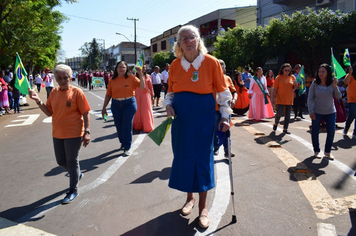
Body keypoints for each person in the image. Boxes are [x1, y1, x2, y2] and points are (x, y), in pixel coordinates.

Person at [163, 25, 231, 229]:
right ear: (179, 44)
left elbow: (223, 93)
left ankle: (203, 207)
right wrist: (167, 105)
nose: (188, 41)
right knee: (183, 158)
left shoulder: (211, 63)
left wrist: (226, 116)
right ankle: (189, 199)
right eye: (183, 38)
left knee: (202, 159)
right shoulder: (175, 65)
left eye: (191, 37)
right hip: (182, 119)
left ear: (198, 40)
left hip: (204, 117)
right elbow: (171, 92)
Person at [28, 64, 91, 204]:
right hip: (57, 133)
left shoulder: (77, 92)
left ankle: (73, 190)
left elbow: (85, 112)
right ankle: (77, 174)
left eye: (66, 77)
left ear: (70, 78)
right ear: (55, 78)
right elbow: (49, 112)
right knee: (60, 161)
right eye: (60, 78)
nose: (63, 80)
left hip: (73, 132)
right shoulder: (54, 92)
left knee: (72, 161)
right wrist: (37, 100)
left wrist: (87, 131)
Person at [101, 61, 145, 156]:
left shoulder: (132, 78)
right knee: (118, 125)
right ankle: (123, 142)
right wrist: (104, 107)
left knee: (127, 125)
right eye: (119, 67)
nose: (121, 69)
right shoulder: (112, 80)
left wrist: (140, 74)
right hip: (116, 104)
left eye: (123, 67)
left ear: (126, 69)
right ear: (116, 69)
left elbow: (142, 87)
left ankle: (127, 146)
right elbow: (108, 94)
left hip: (129, 104)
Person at [308, 63, 341, 160]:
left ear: (328, 73)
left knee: (331, 131)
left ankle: (327, 152)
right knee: (315, 131)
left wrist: (335, 86)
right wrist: (311, 111)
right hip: (317, 111)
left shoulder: (332, 83)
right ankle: (317, 151)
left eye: (323, 72)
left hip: (330, 112)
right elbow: (310, 98)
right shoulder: (314, 83)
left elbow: (338, 97)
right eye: (319, 71)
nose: (320, 74)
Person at [214, 59, 237, 157]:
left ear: (224, 69)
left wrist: (234, 100)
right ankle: (216, 147)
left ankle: (227, 150)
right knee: (215, 129)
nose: (220, 68)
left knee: (226, 129)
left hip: (226, 109)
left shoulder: (227, 78)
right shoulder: (211, 78)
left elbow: (234, 91)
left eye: (222, 66)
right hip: (214, 109)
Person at [271, 63, 298, 134]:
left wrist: (295, 84)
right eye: (286, 70)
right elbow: (275, 89)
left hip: (289, 98)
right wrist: (273, 98)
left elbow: (295, 88)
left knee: (288, 114)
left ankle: (285, 128)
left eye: (289, 70)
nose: (287, 72)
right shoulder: (278, 77)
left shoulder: (292, 77)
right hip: (280, 98)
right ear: (282, 70)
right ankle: (276, 123)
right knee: (279, 113)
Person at [133, 64, 154, 133]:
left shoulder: (148, 76)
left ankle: (147, 126)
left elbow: (150, 87)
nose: (144, 69)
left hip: (146, 95)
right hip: (137, 94)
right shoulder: (135, 77)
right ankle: (138, 125)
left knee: (146, 110)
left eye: (145, 67)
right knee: (138, 110)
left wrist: (152, 95)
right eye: (142, 68)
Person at [343, 63, 356, 139]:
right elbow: (345, 82)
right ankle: (346, 128)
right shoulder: (351, 76)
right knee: (353, 113)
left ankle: (355, 132)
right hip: (351, 98)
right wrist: (350, 73)